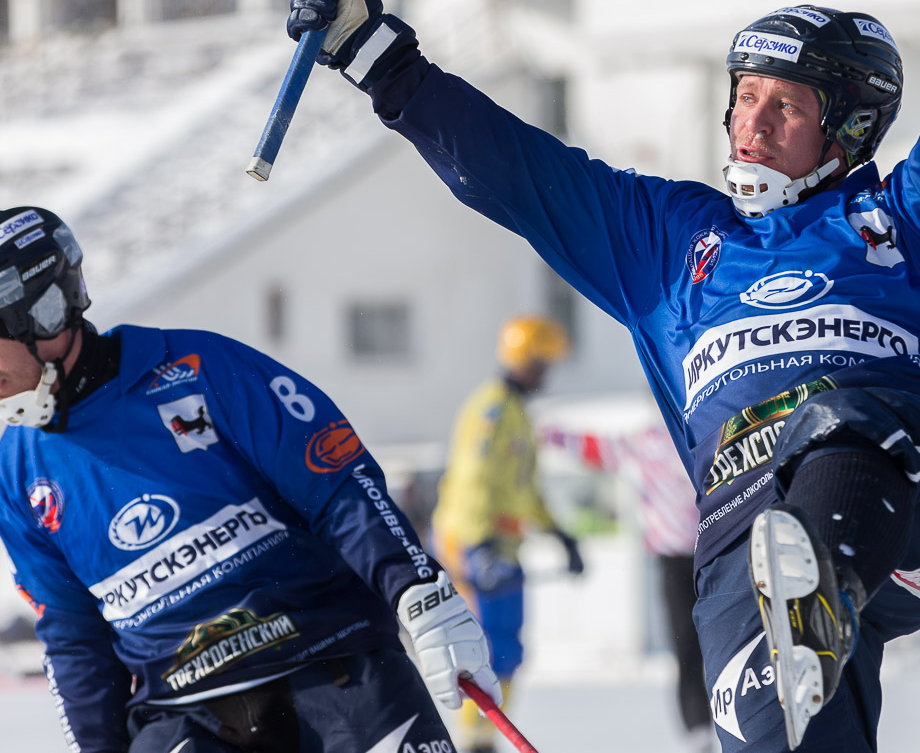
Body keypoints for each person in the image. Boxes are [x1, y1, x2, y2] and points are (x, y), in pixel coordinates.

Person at [284, 0, 920, 751]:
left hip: (911, 493)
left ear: (849, 132)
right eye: (744, 98)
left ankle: (821, 587)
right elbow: (522, 172)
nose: (751, 125)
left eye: (785, 107)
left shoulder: (906, 222)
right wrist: (377, 58)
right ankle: (802, 615)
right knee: (774, 733)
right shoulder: (676, 242)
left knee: (831, 421)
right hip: (742, 539)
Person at [0, 206, 500, 752]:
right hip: (183, 715)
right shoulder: (17, 467)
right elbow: (73, 635)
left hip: (332, 663)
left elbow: (336, 483)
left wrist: (418, 590)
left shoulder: (199, 367)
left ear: (43, 316)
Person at [431, 314, 585, 753]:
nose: (546, 374)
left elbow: (524, 488)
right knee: (481, 649)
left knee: (509, 649)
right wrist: (478, 547)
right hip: (473, 543)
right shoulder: (493, 408)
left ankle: (488, 740)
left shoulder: (518, 413)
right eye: (541, 363)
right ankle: (473, 740)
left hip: (503, 547)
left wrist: (560, 535)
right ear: (521, 359)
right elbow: (473, 479)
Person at [541, 422, 711, 751]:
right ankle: (699, 732)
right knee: (687, 650)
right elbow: (599, 448)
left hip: (717, 552)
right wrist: (551, 435)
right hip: (674, 559)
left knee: (721, 642)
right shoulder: (648, 441)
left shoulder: (704, 431)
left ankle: (732, 721)